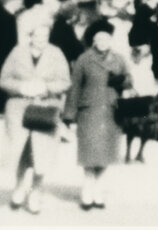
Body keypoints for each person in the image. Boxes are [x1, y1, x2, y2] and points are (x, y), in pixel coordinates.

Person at [0, 17, 71, 214]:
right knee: (21, 151)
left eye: (45, 35)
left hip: (45, 109)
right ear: (30, 36)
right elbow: (3, 80)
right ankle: (19, 188)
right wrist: (21, 87)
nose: (41, 39)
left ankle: (36, 192)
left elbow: (65, 82)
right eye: (37, 35)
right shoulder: (17, 52)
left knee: (41, 154)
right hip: (19, 109)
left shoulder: (56, 54)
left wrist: (45, 88)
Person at [63, 19, 131, 210]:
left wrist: (121, 82)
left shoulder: (119, 59)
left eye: (106, 39)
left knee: (106, 152)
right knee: (89, 151)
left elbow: (129, 80)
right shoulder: (84, 59)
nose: (103, 42)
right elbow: (74, 86)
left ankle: (98, 189)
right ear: (94, 41)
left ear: (111, 41)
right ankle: (87, 188)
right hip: (89, 110)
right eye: (99, 39)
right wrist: (69, 114)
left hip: (111, 110)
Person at [120, 23, 158, 164]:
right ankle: (128, 153)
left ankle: (139, 153)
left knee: (147, 125)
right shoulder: (130, 60)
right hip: (135, 94)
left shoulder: (147, 60)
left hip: (146, 94)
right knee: (133, 125)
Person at [49, 0, 83, 64]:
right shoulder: (73, 4)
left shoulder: (65, 5)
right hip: (69, 30)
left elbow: (58, 16)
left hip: (64, 30)